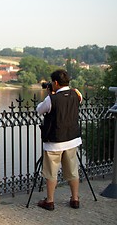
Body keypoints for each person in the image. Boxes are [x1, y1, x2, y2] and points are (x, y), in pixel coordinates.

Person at [36, 69, 83, 211]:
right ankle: (75, 199)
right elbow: (77, 98)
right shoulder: (76, 94)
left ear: (55, 83)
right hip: (72, 139)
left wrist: (49, 95)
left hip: (54, 142)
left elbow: (39, 110)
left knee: (51, 172)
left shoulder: (52, 99)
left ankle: (49, 201)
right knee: (72, 170)